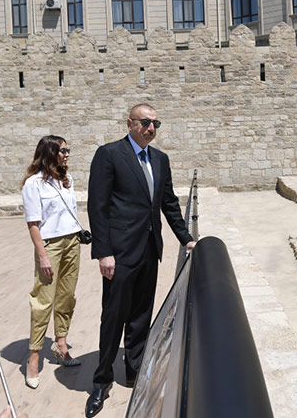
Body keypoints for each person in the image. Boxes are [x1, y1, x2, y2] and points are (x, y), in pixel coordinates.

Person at [85, 104, 195, 417]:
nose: (151, 128)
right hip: (119, 253)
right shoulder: (109, 155)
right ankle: (102, 379)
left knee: (140, 315)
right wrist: (104, 252)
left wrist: (186, 238)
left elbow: (168, 203)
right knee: (114, 316)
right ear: (130, 124)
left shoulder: (160, 159)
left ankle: (133, 369)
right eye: (145, 122)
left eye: (155, 123)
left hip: (149, 249)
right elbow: (98, 206)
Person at [21, 135, 82, 389]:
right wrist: (43, 255)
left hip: (72, 243)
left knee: (67, 297)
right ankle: (34, 356)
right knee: (43, 301)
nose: (67, 155)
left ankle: (61, 344)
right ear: (49, 153)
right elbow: (33, 224)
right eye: (63, 151)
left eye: (68, 150)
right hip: (50, 246)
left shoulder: (67, 180)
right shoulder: (33, 184)